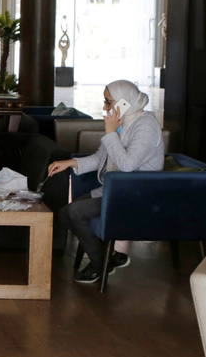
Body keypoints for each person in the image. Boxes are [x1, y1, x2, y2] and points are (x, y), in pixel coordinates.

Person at [47, 80, 165, 284]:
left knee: (76, 212)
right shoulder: (122, 122)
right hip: (116, 190)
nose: (104, 107)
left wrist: (111, 133)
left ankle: (100, 264)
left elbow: (127, 165)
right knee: (64, 213)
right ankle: (109, 257)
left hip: (137, 195)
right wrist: (69, 163)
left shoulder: (145, 126)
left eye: (108, 102)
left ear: (124, 102)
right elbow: (100, 158)